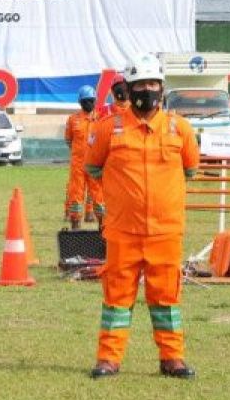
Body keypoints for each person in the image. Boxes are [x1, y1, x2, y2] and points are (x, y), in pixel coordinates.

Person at [85, 53, 199, 379]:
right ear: (128, 88)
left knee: (166, 298)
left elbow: (190, 169)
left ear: (162, 88)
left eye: (152, 84)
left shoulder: (181, 129)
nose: (146, 90)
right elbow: (92, 167)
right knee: (117, 299)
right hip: (123, 232)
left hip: (166, 232)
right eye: (140, 85)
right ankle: (108, 359)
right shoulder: (109, 128)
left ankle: (172, 358)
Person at [63, 85, 104, 230]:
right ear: (80, 102)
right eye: (85, 101)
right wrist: (79, 153)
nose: (89, 104)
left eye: (91, 101)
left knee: (99, 196)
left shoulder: (101, 119)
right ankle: (75, 226)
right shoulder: (73, 120)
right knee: (76, 196)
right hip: (78, 166)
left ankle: (103, 228)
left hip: (95, 166)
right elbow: (68, 140)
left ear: (95, 102)